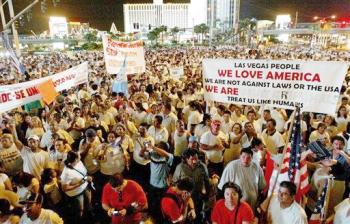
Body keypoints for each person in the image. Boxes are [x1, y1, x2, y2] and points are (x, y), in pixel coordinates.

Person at [60, 151, 92, 221]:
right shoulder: (66, 172)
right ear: (75, 159)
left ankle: (89, 215)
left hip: (85, 186)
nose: (80, 155)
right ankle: (80, 220)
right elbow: (64, 188)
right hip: (77, 193)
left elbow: (83, 173)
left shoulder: (79, 162)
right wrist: (79, 184)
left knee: (88, 202)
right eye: (78, 155)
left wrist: (87, 178)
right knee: (80, 209)